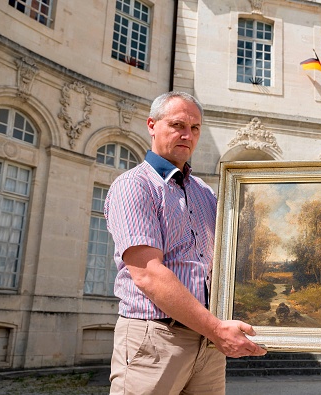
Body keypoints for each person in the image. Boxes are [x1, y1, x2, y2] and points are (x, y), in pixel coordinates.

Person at [105, 91, 266, 395]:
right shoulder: (134, 186)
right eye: (178, 125)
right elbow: (148, 273)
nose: (187, 135)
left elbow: (228, 263)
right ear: (152, 125)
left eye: (195, 128)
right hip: (156, 339)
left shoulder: (204, 192)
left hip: (208, 345)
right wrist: (217, 329)